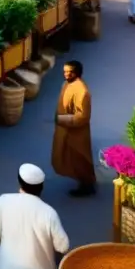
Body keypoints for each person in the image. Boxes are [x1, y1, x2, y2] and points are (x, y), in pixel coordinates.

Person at [0, 163, 70, 269]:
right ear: (42, 187)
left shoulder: (3, 201)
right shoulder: (49, 213)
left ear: (20, 182)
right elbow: (63, 247)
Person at [52, 60, 96, 197]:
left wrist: (61, 119)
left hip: (76, 133)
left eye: (69, 72)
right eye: (65, 71)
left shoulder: (82, 91)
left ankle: (87, 185)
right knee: (70, 157)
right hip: (66, 130)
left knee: (80, 158)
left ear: (77, 72)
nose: (66, 74)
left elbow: (83, 116)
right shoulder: (67, 84)